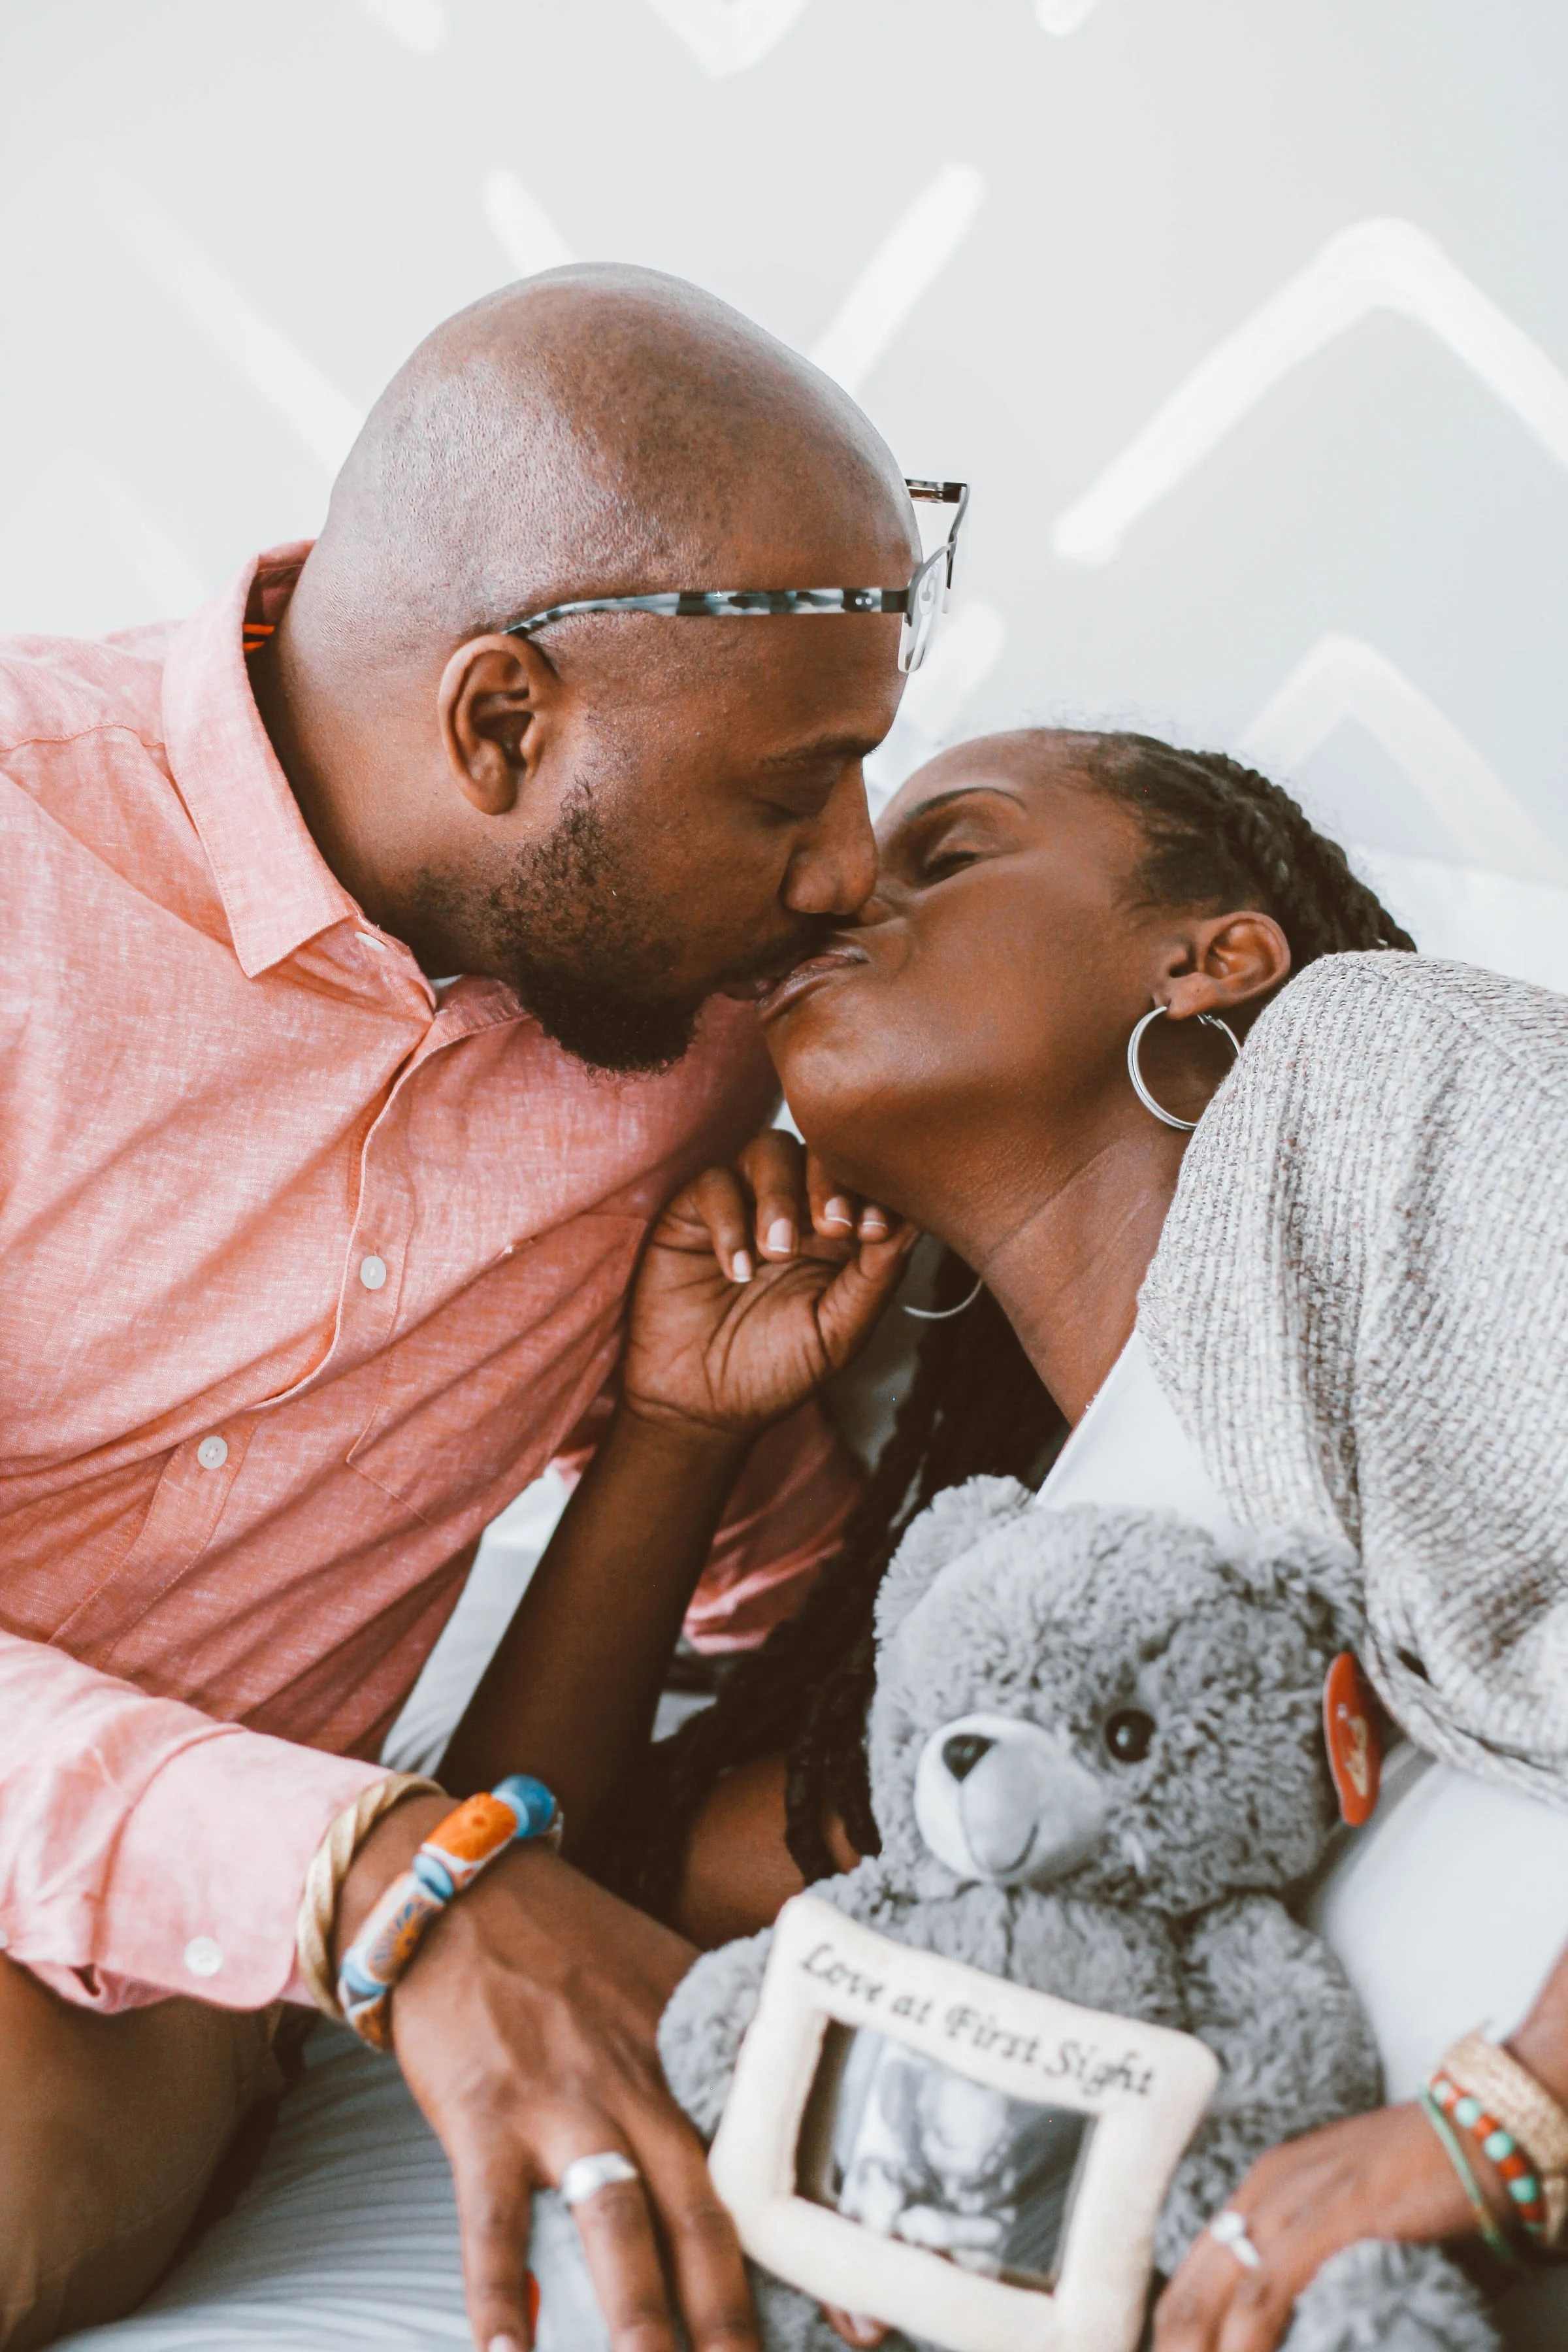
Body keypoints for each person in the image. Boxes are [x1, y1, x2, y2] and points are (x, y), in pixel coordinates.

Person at [0, 260, 956, 2352]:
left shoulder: (692, 1046)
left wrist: (715, 1441)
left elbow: (793, 1619)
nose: (845, 875)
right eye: (791, 795)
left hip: (115, 2025)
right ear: (503, 720)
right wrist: (356, 1874)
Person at [454, 727, 1568, 2351]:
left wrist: (1513, 2116)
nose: (832, 892)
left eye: (947, 852)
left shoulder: (1374, 1069)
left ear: (1212, 961)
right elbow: (521, 1896)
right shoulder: (1016, 1603)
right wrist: (677, 1434)